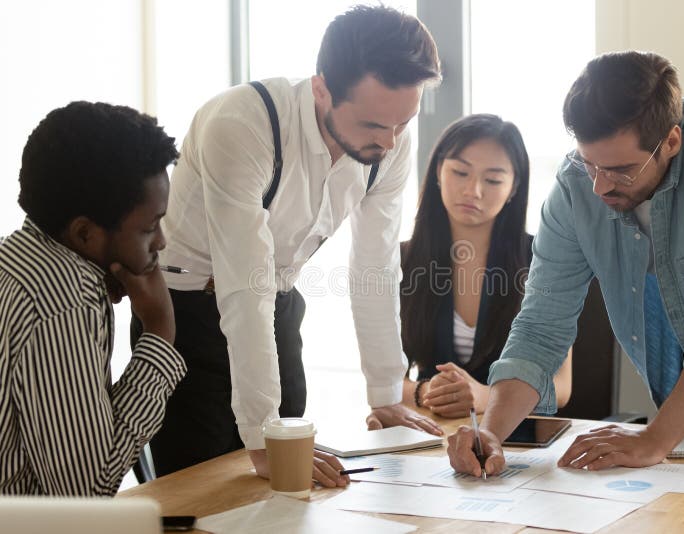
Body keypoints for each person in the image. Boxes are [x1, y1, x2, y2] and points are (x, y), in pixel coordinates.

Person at [448, 50, 684, 477]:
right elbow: (541, 325)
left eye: (620, 170)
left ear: (671, 141)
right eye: (590, 163)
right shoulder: (575, 184)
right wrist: (492, 433)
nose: (598, 185)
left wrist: (652, 439)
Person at [141, 5, 441, 484]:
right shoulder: (242, 123)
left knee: (288, 492)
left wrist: (386, 393)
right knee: (202, 492)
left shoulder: (391, 143)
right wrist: (263, 435)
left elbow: (375, 267)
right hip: (186, 314)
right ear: (322, 88)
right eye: (372, 126)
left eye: (402, 123)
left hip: (277, 308)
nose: (389, 142)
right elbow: (244, 282)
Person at [0, 101, 185, 496]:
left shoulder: (16, 259)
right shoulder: (61, 307)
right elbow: (85, 491)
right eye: (149, 228)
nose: (162, 242)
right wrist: (158, 332)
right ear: (85, 234)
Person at [399, 114, 572, 418]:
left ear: (514, 186)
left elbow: (561, 387)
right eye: (460, 172)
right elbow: (380, 379)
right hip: (430, 429)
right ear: (439, 170)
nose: (473, 191)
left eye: (492, 179)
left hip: (515, 435)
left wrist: (485, 397)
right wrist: (425, 392)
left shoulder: (544, 260)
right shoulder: (401, 261)